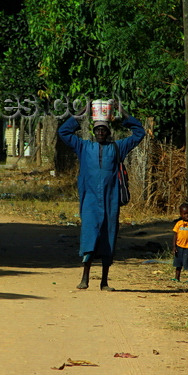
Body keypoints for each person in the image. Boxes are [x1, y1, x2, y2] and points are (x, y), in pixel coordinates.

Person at [58, 105, 145, 291]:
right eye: (97, 130)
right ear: (93, 131)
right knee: (89, 237)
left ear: (108, 132)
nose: (100, 133)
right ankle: (84, 279)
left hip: (110, 200)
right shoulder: (83, 146)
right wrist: (80, 114)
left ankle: (104, 282)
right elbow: (63, 132)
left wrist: (124, 113)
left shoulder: (117, 147)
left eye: (103, 130)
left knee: (108, 237)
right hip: (89, 200)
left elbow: (139, 133)